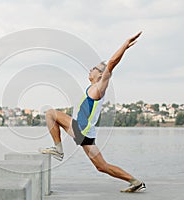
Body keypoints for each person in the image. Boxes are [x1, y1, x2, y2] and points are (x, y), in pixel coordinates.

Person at [40, 32, 146, 193]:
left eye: (95, 68)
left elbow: (111, 63)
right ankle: (136, 181)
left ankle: (58, 149)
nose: (91, 69)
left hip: (80, 130)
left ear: (102, 74)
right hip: (86, 133)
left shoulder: (99, 87)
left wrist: (125, 45)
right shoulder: (92, 88)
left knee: (50, 113)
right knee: (102, 167)